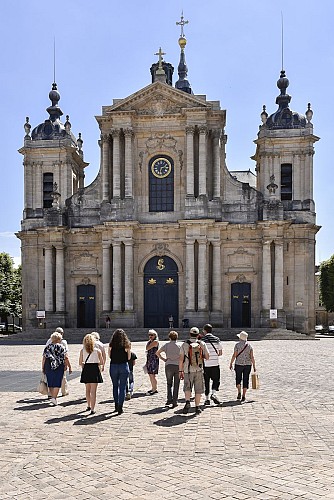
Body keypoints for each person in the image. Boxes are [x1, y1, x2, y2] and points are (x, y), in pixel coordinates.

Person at [179, 326, 209, 415]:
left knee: (187, 387)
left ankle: (187, 402)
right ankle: (197, 407)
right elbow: (207, 357)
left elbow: (180, 359)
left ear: (190, 334)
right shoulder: (202, 344)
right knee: (198, 389)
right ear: (198, 335)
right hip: (199, 369)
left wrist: (180, 371)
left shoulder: (184, 344)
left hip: (187, 370)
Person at [42, 331, 72, 406]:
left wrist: (43, 367)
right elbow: (66, 358)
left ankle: (53, 397)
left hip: (49, 365)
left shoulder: (47, 347)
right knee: (57, 382)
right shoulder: (62, 347)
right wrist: (69, 366)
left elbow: (44, 358)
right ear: (59, 339)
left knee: (50, 382)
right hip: (59, 366)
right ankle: (54, 398)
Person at [79, 333, 104, 415]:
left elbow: (80, 362)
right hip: (94, 369)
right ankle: (93, 409)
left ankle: (88, 405)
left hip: (86, 369)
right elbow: (101, 362)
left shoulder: (82, 351)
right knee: (93, 391)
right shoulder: (97, 351)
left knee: (87, 390)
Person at [108, 329, 131, 415]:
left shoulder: (111, 345)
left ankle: (116, 405)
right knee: (122, 387)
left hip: (113, 366)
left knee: (115, 386)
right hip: (123, 366)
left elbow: (109, 355)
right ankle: (120, 407)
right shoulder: (127, 345)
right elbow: (129, 358)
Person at [229, 330, 256, 402]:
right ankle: (244, 395)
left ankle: (239, 392)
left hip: (238, 364)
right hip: (248, 365)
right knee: (245, 379)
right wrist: (254, 366)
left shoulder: (237, 345)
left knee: (238, 378)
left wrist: (231, 363)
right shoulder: (249, 346)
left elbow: (234, 355)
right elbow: (252, 357)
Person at [156, 330, 180, 408]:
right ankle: (175, 401)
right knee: (177, 384)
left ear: (169, 337)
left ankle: (169, 399)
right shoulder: (180, 346)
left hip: (168, 365)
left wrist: (163, 359)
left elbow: (157, 353)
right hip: (177, 366)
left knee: (169, 383)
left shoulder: (166, 345)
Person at [201, 324, 223, 406]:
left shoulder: (202, 340)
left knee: (206, 381)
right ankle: (213, 394)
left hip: (206, 364)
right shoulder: (217, 339)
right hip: (215, 363)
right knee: (216, 380)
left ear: (205, 331)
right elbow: (220, 353)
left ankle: (207, 399)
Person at [45, 326, 69, 397]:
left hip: (50, 363)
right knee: (62, 378)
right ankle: (63, 391)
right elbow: (66, 355)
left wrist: (43, 366)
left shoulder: (49, 341)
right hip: (60, 363)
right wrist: (67, 365)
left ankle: (50, 394)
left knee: (50, 378)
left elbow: (45, 355)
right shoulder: (63, 343)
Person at [145, 329, 159, 395]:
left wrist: (149, 343)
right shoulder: (150, 341)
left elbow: (147, 348)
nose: (150, 336)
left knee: (152, 375)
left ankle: (154, 389)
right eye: (149, 335)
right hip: (150, 359)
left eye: (152, 335)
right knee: (150, 375)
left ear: (155, 335)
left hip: (153, 359)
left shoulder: (155, 342)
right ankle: (153, 387)